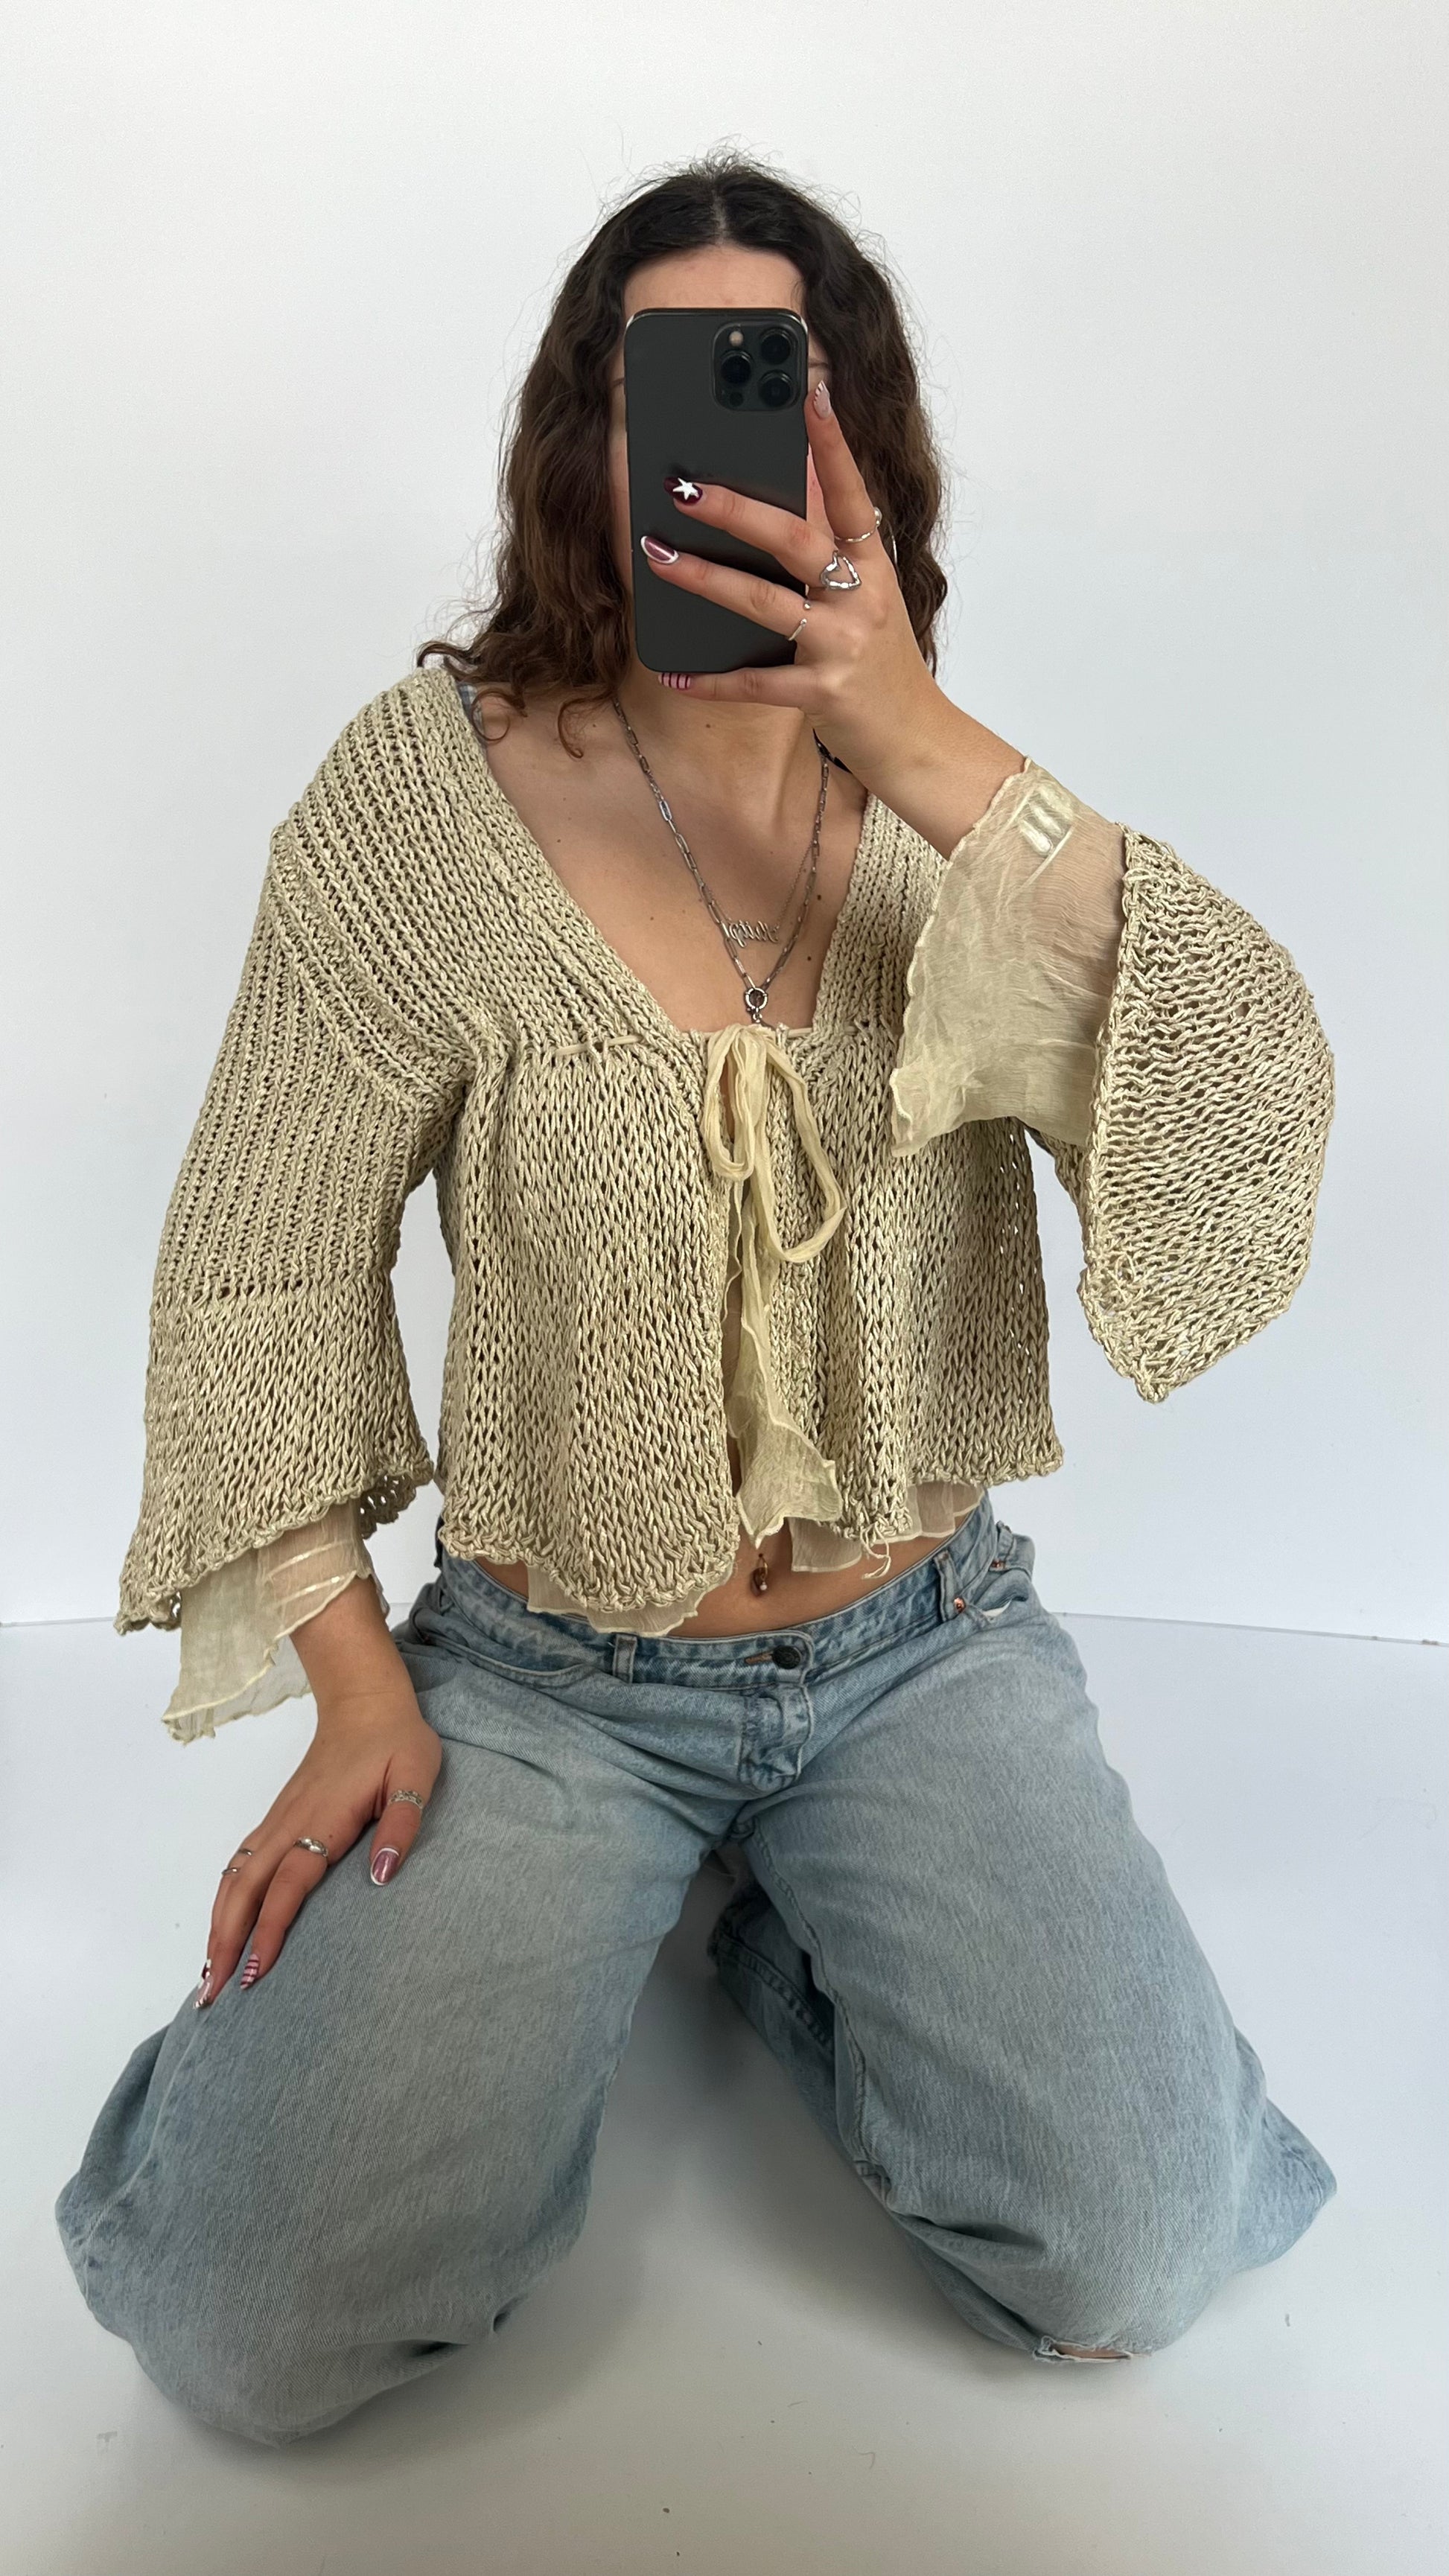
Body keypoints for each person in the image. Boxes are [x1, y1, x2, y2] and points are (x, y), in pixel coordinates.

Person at [54, 155, 1338, 2446]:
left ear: (864, 444)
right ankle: (584, 1959)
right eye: (671, 391)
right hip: (549, 1672)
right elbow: (261, 1254)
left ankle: (762, 1933)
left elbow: (1242, 1097)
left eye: (778, 389)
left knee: (1132, 2253)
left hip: (917, 1639)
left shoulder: (964, 822)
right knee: (247, 2338)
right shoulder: (421, 799)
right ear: (589, 436)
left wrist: (914, 730)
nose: (723, 449)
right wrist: (351, 1681)